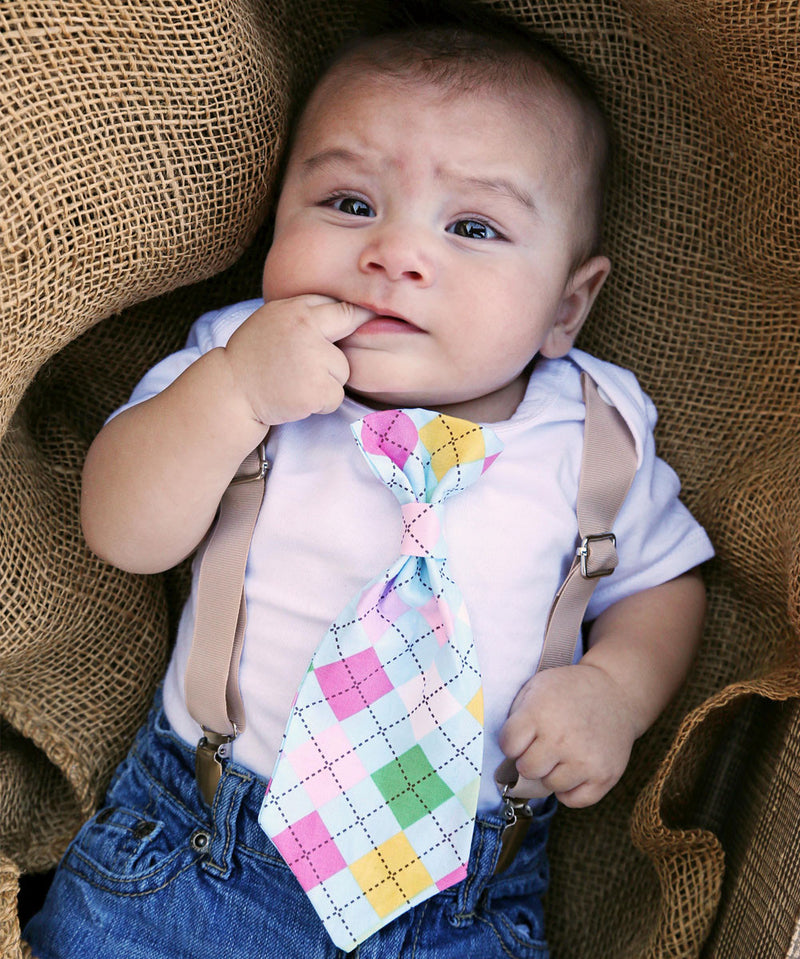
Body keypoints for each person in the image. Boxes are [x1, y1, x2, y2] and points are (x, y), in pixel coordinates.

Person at [25, 19, 714, 959]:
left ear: (567, 305)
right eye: (350, 203)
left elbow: (663, 582)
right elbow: (122, 530)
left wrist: (613, 690)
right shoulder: (239, 361)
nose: (395, 251)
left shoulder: (596, 434)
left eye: (472, 227)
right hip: (197, 855)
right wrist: (235, 393)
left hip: (461, 905)